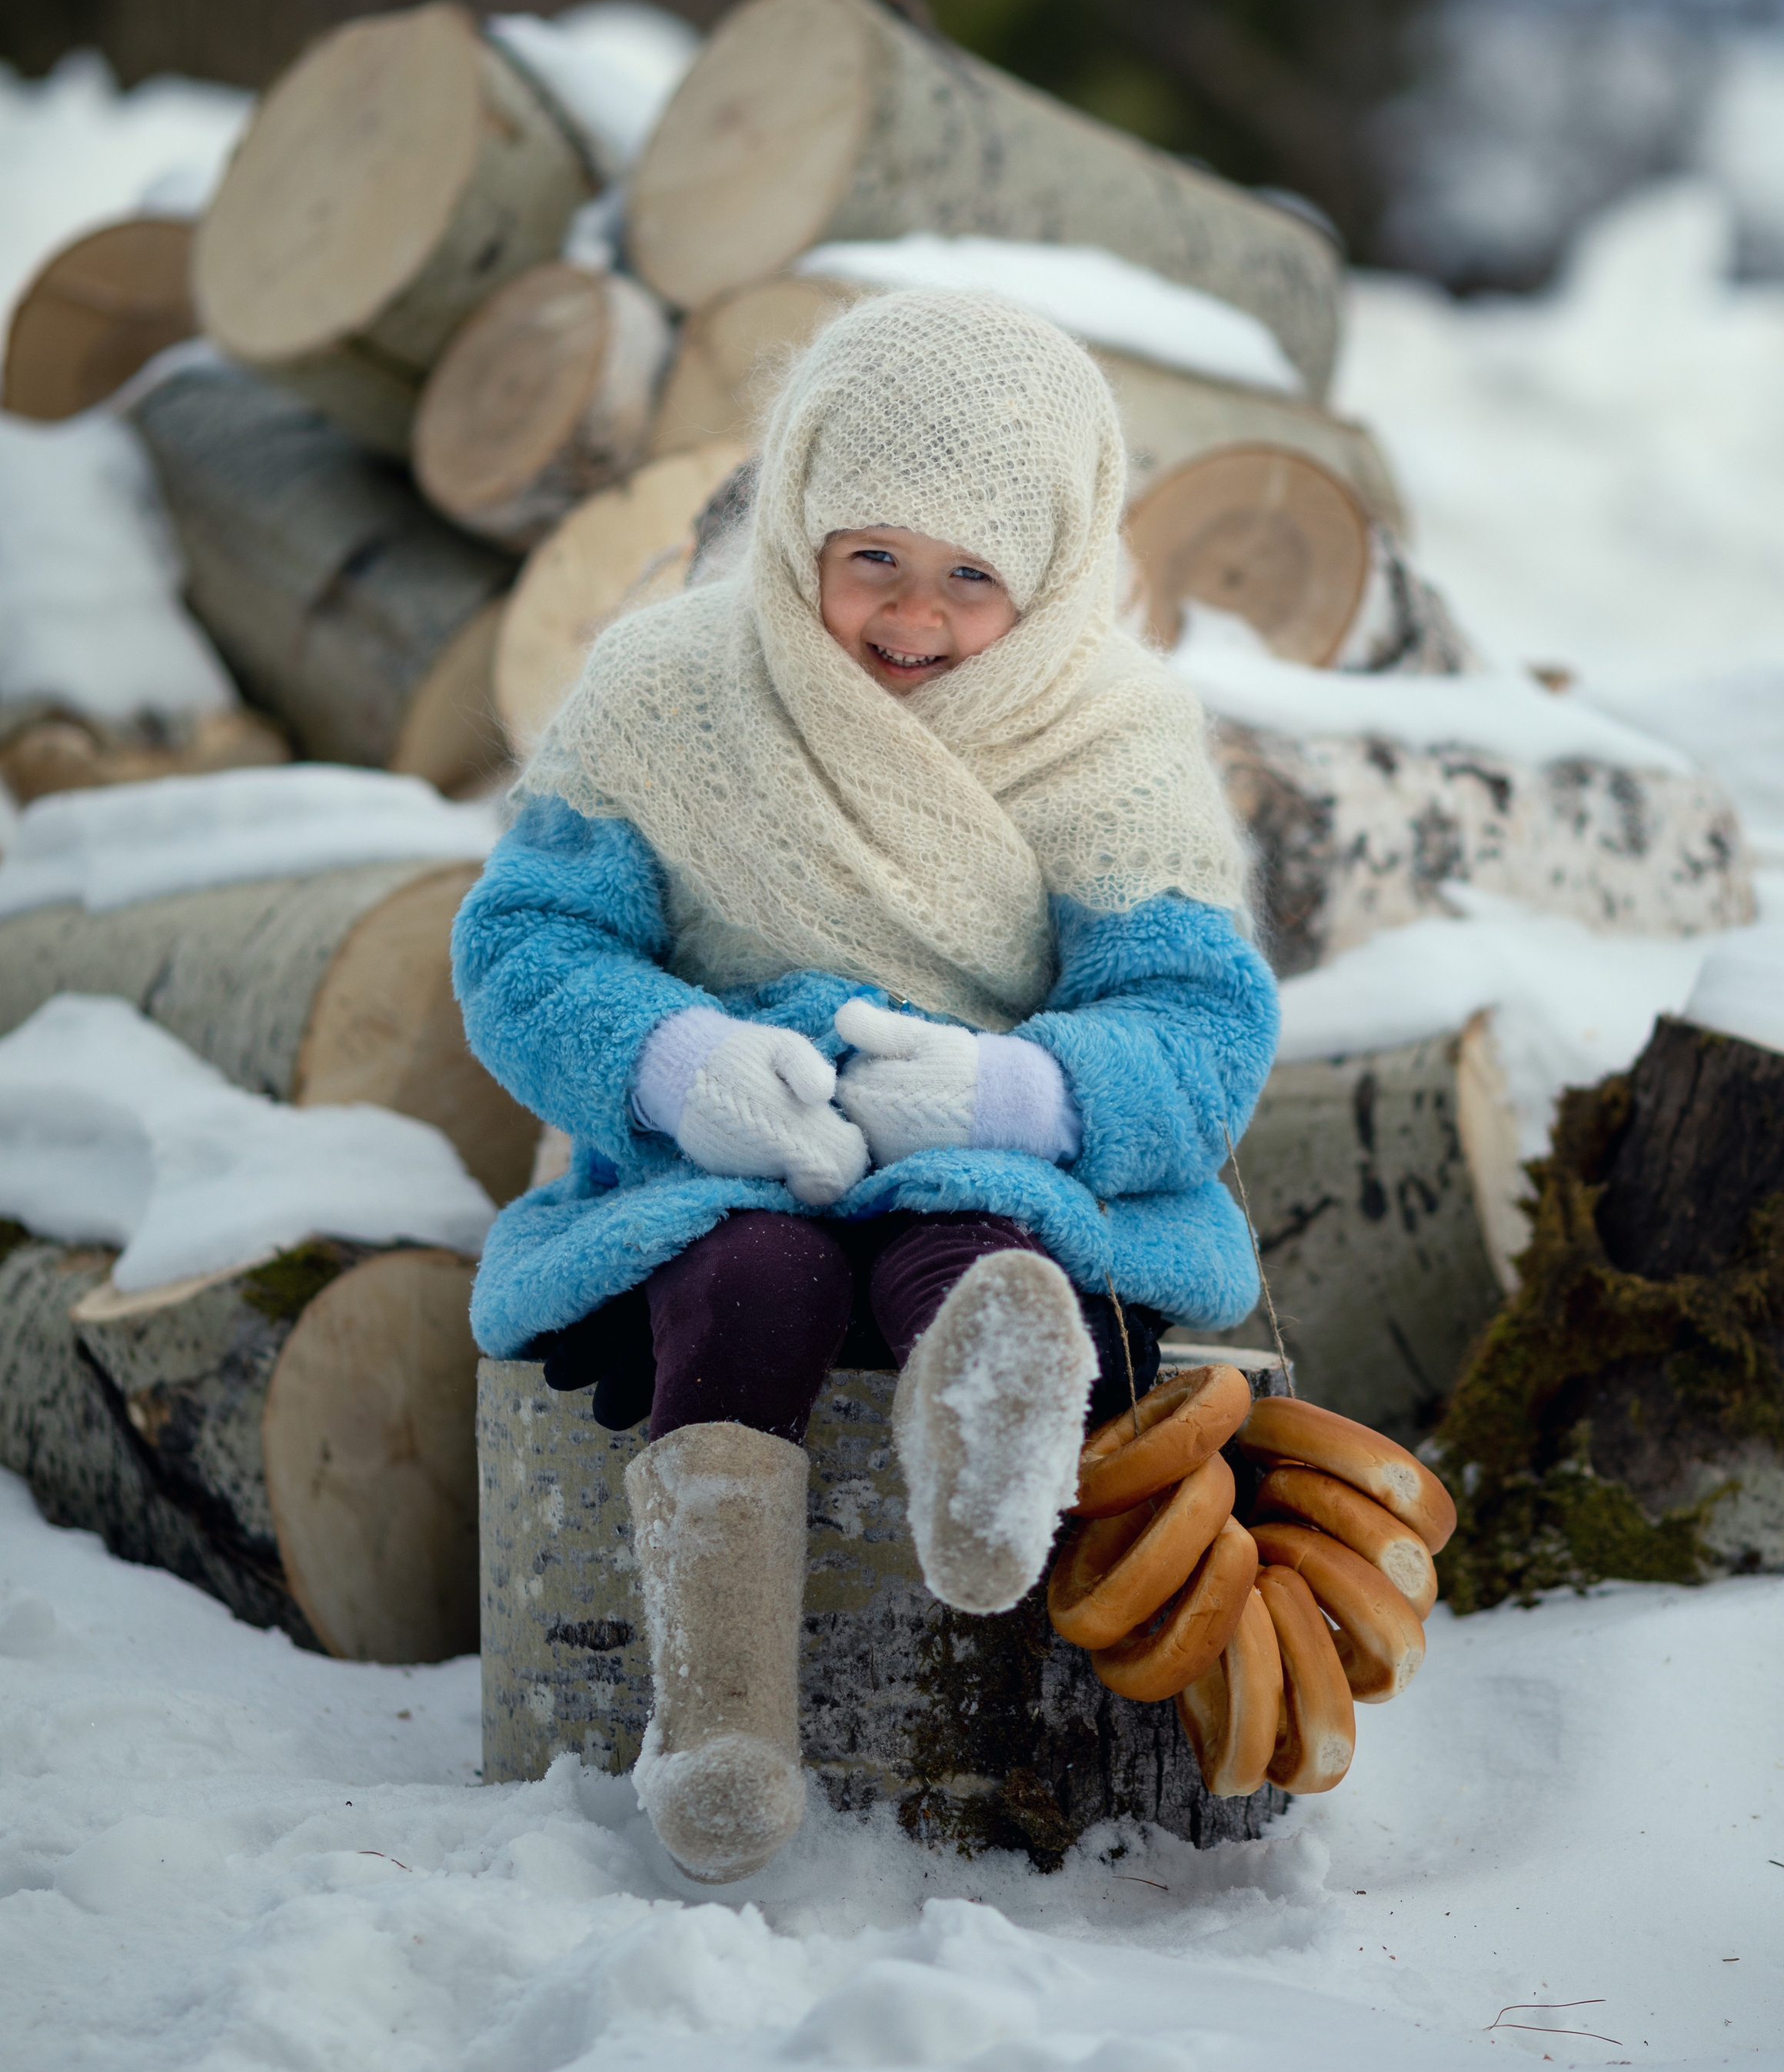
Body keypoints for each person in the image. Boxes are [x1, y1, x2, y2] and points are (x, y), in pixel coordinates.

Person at [454, 287, 1279, 1883]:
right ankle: (718, 1723)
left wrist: (1010, 1094)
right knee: (740, 1285)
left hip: (974, 1158)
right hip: (719, 1166)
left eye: (973, 574)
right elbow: (526, 941)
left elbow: (1191, 1022)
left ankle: (988, 1456)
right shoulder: (668, 690)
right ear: (799, 527)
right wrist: (676, 1063)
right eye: (873, 558)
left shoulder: (1113, 738)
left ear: (1046, 574)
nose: (914, 612)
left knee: (977, 1257)